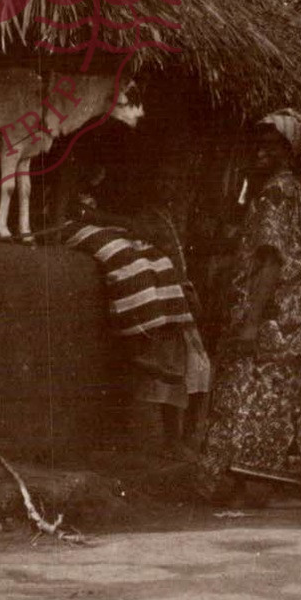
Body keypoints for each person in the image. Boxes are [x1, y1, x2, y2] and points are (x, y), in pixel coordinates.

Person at [201, 112, 301, 499]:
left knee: (248, 396)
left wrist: (251, 320)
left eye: (274, 145)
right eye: (260, 144)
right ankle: (259, 484)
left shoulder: (275, 194)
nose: (263, 151)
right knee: (274, 401)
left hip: (269, 319)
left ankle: (242, 484)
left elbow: (271, 259)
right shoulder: (295, 191)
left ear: (291, 150)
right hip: (290, 320)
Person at [55, 195, 211, 458]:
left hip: (152, 267)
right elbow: (81, 212)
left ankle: (180, 437)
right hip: (75, 226)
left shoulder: (162, 215)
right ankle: (137, 345)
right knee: (133, 266)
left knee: (161, 267)